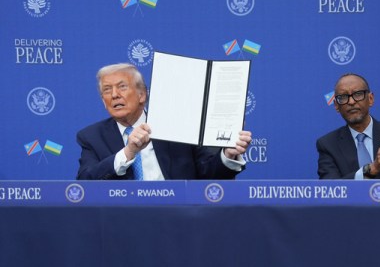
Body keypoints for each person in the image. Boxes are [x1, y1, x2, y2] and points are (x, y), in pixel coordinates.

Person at [76, 63, 252, 180]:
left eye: (122, 87)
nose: (114, 95)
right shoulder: (91, 137)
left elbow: (210, 175)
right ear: (103, 101)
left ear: (142, 95)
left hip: (178, 214)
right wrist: (128, 152)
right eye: (107, 90)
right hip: (122, 218)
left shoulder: (179, 125)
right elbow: (85, 182)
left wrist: (228, 154)